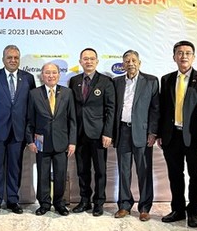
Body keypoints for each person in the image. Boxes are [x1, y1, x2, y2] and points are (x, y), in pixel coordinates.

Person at [157, 41, 197, 227]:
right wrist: (159, 134)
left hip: (194, 137)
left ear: (193, 57)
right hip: (171, 135)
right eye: (180, 53)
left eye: (188, 53)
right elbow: (163, 108)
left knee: (195, 175)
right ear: (174, 57)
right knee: (175, 174)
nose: (183, 56)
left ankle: (193, 212)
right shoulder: (166, 79)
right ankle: (178, 209)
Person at [0, 45, 36, 215]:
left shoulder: (28, 78)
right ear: (3, 59)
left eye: (16, 58)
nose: (13, 60)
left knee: (15, 168)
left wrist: (29, 133)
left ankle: (13, 200)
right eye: (9, 57)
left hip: (18, 132)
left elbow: (31, 108)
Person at [112, 50, 159, 221]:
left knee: (144, 170)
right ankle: (124, 205)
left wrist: (152, 132)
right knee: (123, 171)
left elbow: (155, 109)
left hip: (142, 133)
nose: (130, 63)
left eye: (133, 60)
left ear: (139, 63)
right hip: (122, 131)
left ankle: (144, 207)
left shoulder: (151, 81)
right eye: (127, 61)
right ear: (123, 64)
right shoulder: (116, 82)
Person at [68, 48, 115, 216]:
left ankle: (99, 202)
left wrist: (108, 133)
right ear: (80, 62)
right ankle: (84, 200)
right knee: (82, 170)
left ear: (97, 61)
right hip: (80, 134)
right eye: (85, 59)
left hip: (99, 134)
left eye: (92, 59)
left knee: (100, 171)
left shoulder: (106, 81)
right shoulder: (74, 81)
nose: (88, 61)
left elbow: (111, 109)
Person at [25, 63, 76, 216]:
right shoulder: (34, 94)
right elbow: (29, 120)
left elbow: (72, 120)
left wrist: (72, 142)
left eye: (54, 72)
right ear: (42, 75)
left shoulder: (67, 93)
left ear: (59, 75)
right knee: (43, 174)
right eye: (47, 73)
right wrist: (30, 141)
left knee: (60, 175)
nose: (51, 75)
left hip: (62, 141)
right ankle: (44, 203)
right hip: (41, 141)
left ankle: (59, 203)